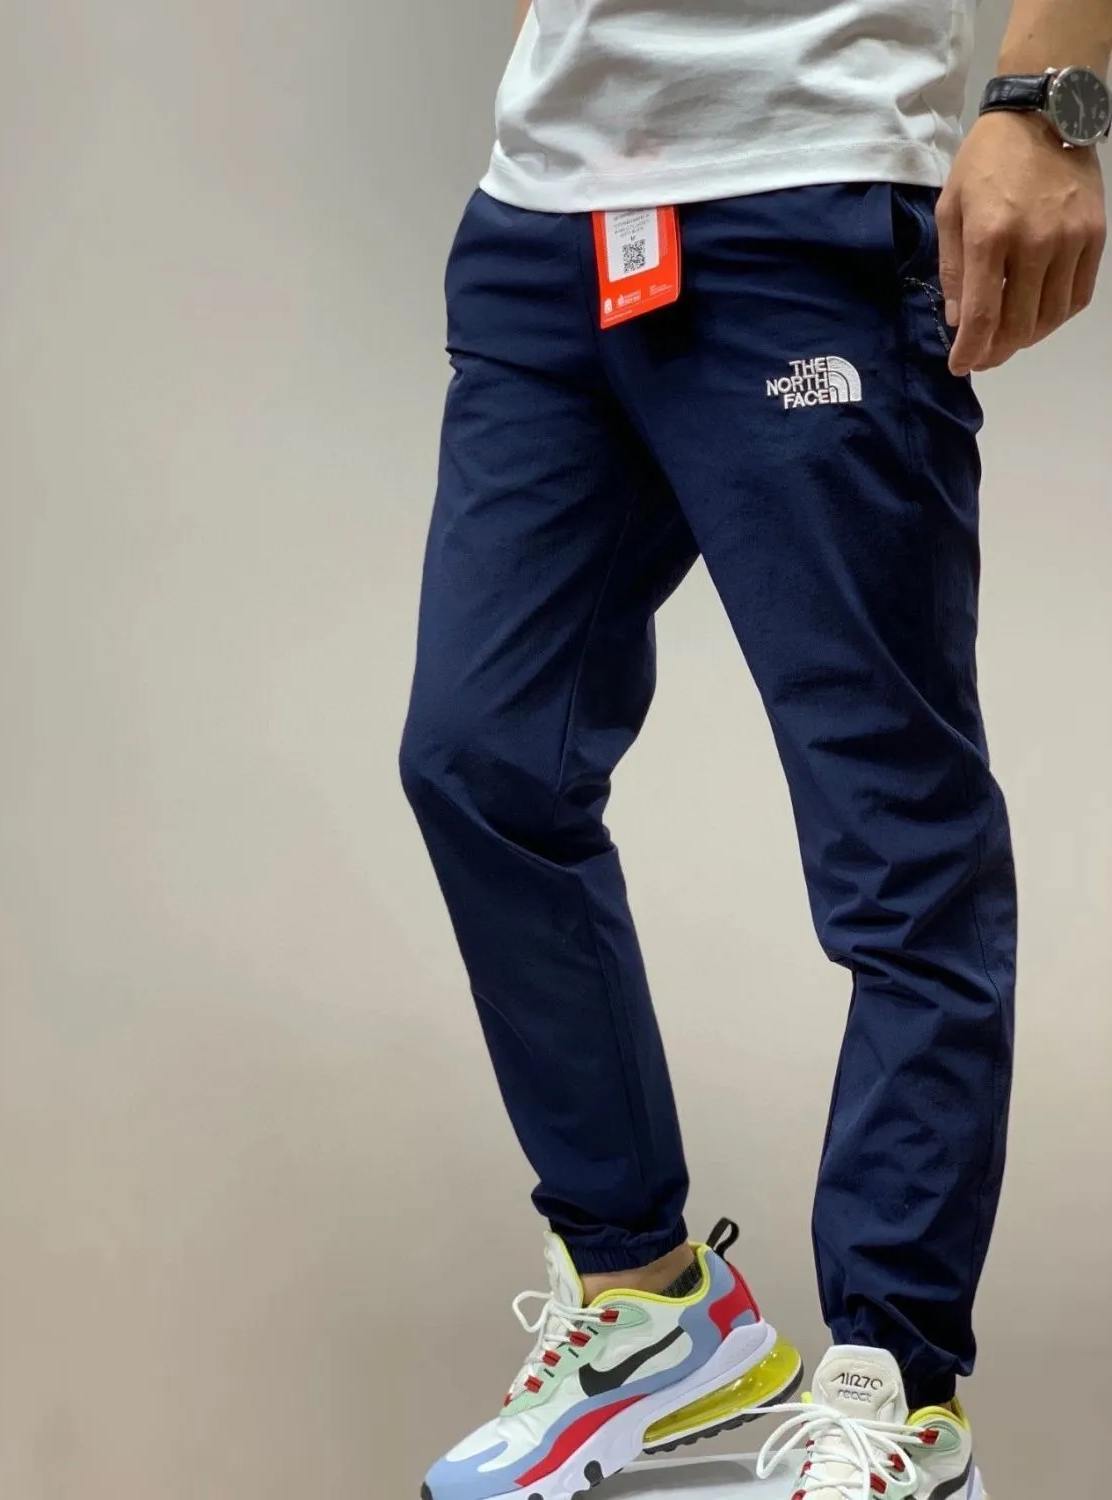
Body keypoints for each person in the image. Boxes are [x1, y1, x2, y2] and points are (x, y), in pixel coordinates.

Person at [399, 0, 1109, 1496]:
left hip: (811, 197)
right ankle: (648, 1306)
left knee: (894, 830)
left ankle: (901, 1386)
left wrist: (1051, 100)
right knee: (481, 763)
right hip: (546, 219)